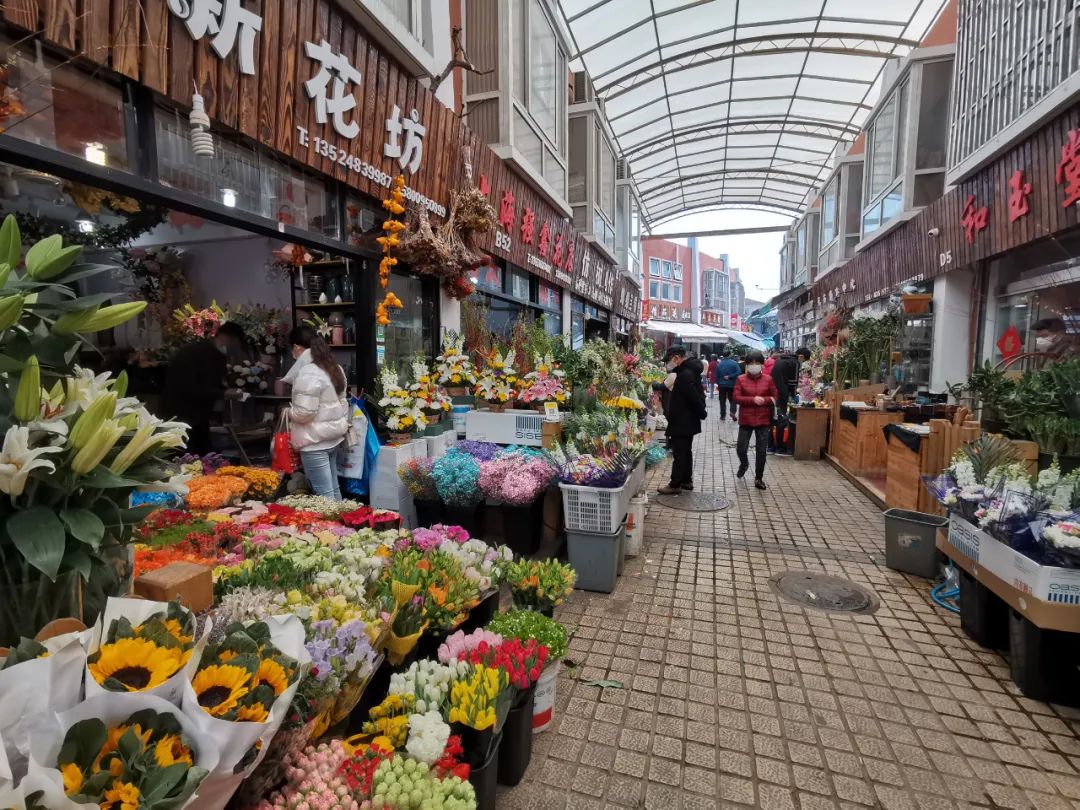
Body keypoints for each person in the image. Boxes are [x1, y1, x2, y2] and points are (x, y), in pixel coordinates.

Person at [164, 321, 245, 454]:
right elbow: (189, 386)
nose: (232, 348)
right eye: (233, 343)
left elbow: (212, 381)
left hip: (199, 416)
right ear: (225, 337)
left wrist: (224, 388)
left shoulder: (215, 354)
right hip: (183, 414)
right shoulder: (194, 352)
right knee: (186, 456)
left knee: (204, 456)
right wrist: (223, 393)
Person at [288, 325, 349, 500]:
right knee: (334, 491)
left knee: (324, 497)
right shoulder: (333, 367)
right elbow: (343, 402)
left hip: (314, 442)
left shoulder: (308, 372)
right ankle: (343, 525)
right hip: (332, 438)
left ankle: (333, 527)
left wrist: (288, 412)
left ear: (297, 347)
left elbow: (305, 413)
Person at [658, 346, 707, 495]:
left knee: (679, 452)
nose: (670, 363)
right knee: (686, 451)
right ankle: (686, 480)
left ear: (677, 357)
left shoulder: (685, 374)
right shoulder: (690, 371)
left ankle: (675, 484)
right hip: (687, 419)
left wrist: (702, 413)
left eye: (671, 360)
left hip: (682, 419)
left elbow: (693, 397)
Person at [734, 350, 778, 490]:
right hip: (746, 419)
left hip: (763, 420)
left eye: (757, 363)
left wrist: (763, 400)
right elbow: (736, 397)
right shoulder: (741, 379)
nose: (754, 365)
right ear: (747, 365)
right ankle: (744, 463)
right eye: (751, 363)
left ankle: (759, 478)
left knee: (761, 451)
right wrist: (752, 400)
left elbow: (775, 397)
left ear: (761, 364)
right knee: (741, 447)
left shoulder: (768, 379)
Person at [770, 348, 801, 455]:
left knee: (774, 420)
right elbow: (794, 383)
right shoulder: (795, 363)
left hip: (774, 396)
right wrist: (793, 395)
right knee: (781, 421)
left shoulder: (779, 362)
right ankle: (780, 447)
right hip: (781, 396)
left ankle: (771, 447)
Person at [715, 350, 741, 421]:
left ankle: (722, 416)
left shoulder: (719, 364)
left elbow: (716, 376)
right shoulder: (734, 363)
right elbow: (739, 372)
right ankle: (732, 412)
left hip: (722, 385)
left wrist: (719, 383)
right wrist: (730, 376)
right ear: (729, 355)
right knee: (733, 399)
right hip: (732, 384)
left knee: (722, 400)